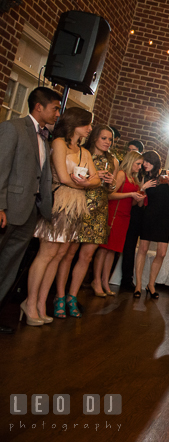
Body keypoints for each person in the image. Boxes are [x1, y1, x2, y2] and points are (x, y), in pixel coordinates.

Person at [23, 108, 99, 323]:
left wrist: (87, 182)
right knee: (46, 254)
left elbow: (96, 180)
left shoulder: (84, 152)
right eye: (87, 124)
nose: (90, 128)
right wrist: (84, 182)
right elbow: (64, 177)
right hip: (60, 202)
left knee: (59, 256)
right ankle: (30, 302)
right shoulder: (59, 143)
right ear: (75, 123)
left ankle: (41, 303)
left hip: (76, 206)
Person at [0, 87, 60, 333]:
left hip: (29, 212)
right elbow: (1, 169)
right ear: (39, 107)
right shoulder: (12, 128)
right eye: (55, 108)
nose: (58, 113)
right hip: (8, 209)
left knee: (9, 265)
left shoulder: (45, 137)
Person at [55, 125, 118, 308]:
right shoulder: (84, 153)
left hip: (99, 209)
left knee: (87, 256)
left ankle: (72, 297)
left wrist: (110, 183)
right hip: (81, 205)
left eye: (110, 139)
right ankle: (60, 295)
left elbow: (111, 190)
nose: (108, 142)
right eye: (104, 138)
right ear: (95, 138)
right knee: (68, 253)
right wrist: (93, 176)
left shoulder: (113, 161)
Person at [92, 151, 146, 297]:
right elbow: (110, 194)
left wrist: (140, 196)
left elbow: (134, 203)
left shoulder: (134, 180)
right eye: (138, 164)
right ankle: (96, 280)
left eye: (141, 164)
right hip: (114, 214)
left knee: (113, 251)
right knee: (104, 249)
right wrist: (130, 194)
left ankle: (105, 281)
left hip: (125, 216)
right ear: (131, 161)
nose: (140, 167)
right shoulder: (121, 174)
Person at [134, 151, 169, 298]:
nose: (145, 165)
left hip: (165, 216)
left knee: (162, 253)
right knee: (143, 249)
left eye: (147, 162)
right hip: (149, 216)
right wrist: (143, 188)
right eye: (143, 162)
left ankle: (151, 284)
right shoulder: (143, 177)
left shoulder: (167, 173)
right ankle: (139, 285)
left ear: (154, 161)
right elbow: (139, 204)